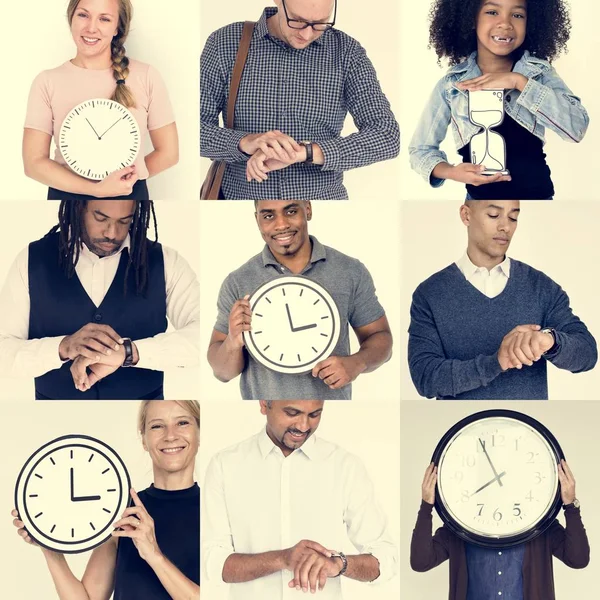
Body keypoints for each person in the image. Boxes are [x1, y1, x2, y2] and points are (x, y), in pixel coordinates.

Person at [0, 200, 199, 400]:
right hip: (54, 419)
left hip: (139, 414)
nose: (112, 233)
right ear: (79, 208)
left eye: (124, 221)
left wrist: (129, 352)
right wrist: (63, 347)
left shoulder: (165, 261)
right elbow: (4, 351)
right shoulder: (32, 260)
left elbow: (202, 336)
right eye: (100, 218)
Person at [200, 0, 399, 199]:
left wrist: (304, 152)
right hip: (240, 202)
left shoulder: (347, 53)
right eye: (297, 20)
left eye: (320, 23)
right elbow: (193, 130)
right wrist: (245, 142)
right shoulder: (225, 43)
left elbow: (387, 135)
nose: (306, 34)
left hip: (324, 204)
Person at [203, 400, 398, 599]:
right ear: (264, 404)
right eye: (292, 413)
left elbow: (386, 558)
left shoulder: (345, 466)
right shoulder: (225, 465)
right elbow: (212, 562)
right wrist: (282, 559)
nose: (304, 426)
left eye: (314, 415)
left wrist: (339, 564)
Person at [11, 400, 201, 600]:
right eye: (156, 426)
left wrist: (154, 556)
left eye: (182, 423)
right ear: (144, 440)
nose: (170, 435)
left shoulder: (214, 507)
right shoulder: (123, 512)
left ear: (198, 433)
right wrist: (49, 546)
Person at [408, 200, 597, 399]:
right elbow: (425, 378)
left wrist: (550, 340)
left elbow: (588, 354)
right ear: (466, 215)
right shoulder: (430, 293)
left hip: (528, 426)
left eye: (513, 217)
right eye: (493, 215)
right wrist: (496, 362)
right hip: (460, 427)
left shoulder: (542, 287)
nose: (505, 226)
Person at [207, 200, 392, 399]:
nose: (281, 224)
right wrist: (232, 342)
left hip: (335, 411)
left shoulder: (349, 270)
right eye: (268, 216)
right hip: (261, 410)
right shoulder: (237, 281)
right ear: (257, 220)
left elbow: (381, 338)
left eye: (291, 211)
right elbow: (222, 373)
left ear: (308, 209)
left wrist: (357, 362)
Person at [409, 0, 588, 200]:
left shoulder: (539, 74)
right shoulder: (452, 85)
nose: (506, 23)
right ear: (471, 18)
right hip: (479, 202)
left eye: (518, 15)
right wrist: (450, 171)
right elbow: (420, 149)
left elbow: (577, 128)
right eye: (492, 12)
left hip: (539, 200)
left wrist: (519, 82)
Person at [24, 0, 178, 200]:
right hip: (67, 197)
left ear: (117, 28)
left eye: (104, 19)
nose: (91, 28)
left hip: (128, 195)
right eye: (83, 15)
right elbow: (33, 163)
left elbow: (169, 152)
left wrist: (129, 178)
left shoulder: (146, 75)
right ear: (71, 17)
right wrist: (96, 189)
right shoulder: (47, 81)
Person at [410, 461, 589, 600]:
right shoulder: (459, 527)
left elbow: (578, 559)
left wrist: (571, 505)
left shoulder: (540, 525)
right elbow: (420, 562)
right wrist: (426, 506)